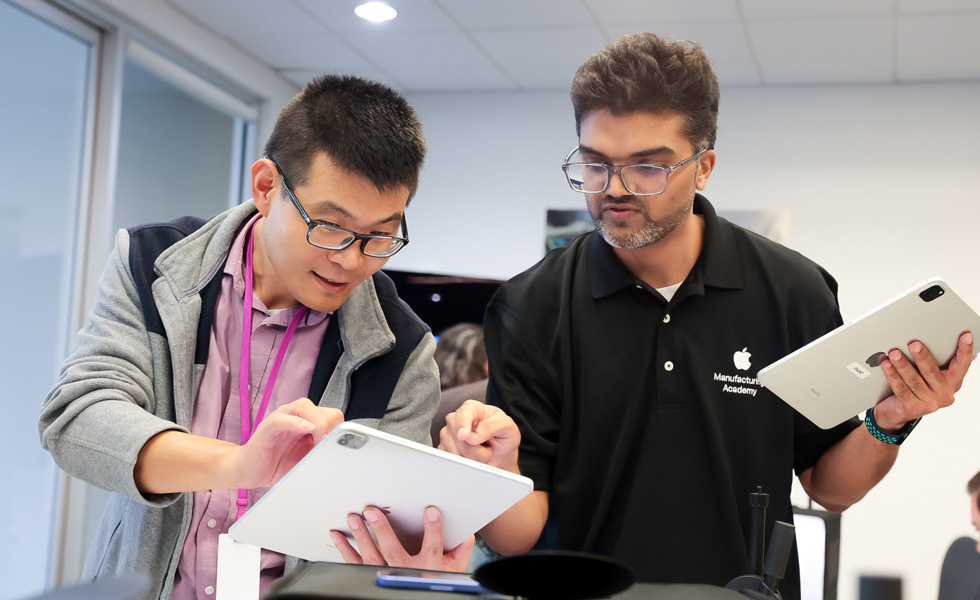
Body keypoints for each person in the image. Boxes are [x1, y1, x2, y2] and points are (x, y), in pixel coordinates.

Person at [436, 33, 975, 599]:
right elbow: (517, 537)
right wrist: (492, 469)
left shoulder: (792, 290)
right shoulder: (531, 305)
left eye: (647, 167)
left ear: (704, 167)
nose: (614, 190)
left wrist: (888, 422)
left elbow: (828, 486)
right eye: (596, 163)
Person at [38, 75, 470, 600]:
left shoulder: (401, 349)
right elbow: (77, 417)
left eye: (381, 236)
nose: (352, 260)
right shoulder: (153, 265)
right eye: (330, 226)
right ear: (267, 187)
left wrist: (425, 550)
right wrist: (236, 465)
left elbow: (382, 534)